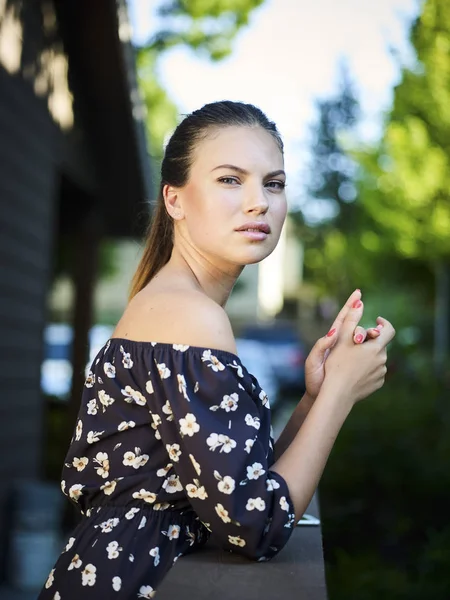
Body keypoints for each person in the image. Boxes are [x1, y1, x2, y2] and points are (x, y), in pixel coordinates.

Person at [38, 100, 395, 599]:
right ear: (175, 200)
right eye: (231, 180)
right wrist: (340, 393)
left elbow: (243, 483)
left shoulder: (181, 307)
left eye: (273, 183)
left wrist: (315, 397)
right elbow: (256, 526)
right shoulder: (189, 316)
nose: (260, 202)